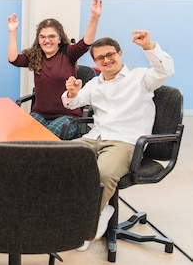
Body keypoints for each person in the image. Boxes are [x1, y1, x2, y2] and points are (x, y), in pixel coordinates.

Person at [62, 31, 175, 250]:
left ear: (120, 53)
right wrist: (72, 94)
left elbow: (166, 70)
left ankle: (87, 226)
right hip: (95, 137)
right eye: (100, 58)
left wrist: (148, 46)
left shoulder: (141, 77)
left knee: (102, 173)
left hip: (125, 141)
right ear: (95, 62)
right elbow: (71, 103)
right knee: (55, 158)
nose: (106, 60)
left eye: (110, 54)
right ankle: (83, 212)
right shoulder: (95, 83)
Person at [8, 0, 102, 139]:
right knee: (22, 137)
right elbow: (13, 59)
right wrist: (12, 32)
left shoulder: (68, 53)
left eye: (52, 36)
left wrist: (94, 16)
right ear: (38, 39)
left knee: (46, 138)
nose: (47, 40)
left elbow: (86, 42)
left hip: (68, 116)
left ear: (59, 38)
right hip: (40, 114)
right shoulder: (36, 56)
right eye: (42, 37)